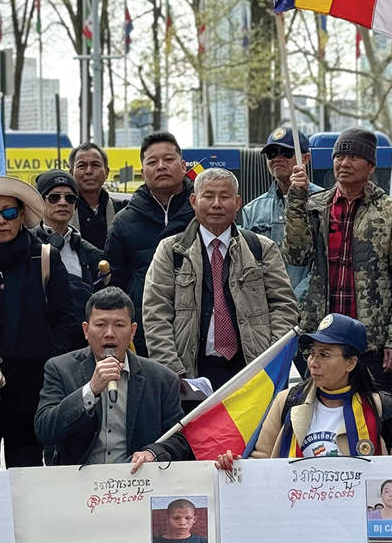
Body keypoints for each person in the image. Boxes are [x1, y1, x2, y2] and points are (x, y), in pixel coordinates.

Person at [284, 128, 392, 398]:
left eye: (354, 157)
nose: (344, 163)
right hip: (323, 337)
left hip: (372, 344)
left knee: (377, 423)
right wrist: (296, 200)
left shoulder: (391, 211)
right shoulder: (315, 206)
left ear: (371, 166)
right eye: (339, 156)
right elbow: (297, 255)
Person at [0, 176, 75, 469]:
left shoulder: (44, 256)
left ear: (21, 214)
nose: (1, 221)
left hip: (30, 388)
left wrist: (49, 366)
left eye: (9, 212)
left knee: (27, 475)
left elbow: (64, 319)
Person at [144, 167, 299, 391]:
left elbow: (284, 307)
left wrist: (269, 363)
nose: (217, 204)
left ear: (237, 203)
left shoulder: (261, 249)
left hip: (252, 372)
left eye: (224, 196)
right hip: (191, 375)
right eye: (208, 196)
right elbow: (156, 315)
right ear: (194, 201)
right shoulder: (171, 251)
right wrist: (174, 374)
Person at [218, 314, 392, 466]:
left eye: (324, 355)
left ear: (351, 363)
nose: (313, 363)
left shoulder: (384, 409)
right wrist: (235, 466)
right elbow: (261, 464)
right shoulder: (287, 402)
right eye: (312, 353)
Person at [35, 288, 192, 467]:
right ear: (86, 330)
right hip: (78, 481)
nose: (109, 333)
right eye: (101, 325)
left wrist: (152, 453)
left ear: (132, 331)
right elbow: (44, 429)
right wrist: (90, 390)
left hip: (136, 481)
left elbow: (179, 439)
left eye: (119, 325)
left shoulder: (162, 378)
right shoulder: (60, 369)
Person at [105, 133, 194, 355]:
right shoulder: (123, 221)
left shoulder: (203, 214)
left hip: (196, 328)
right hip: (144, 332)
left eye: (169, 159)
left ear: (183, 166)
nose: (161, 166)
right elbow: (115, 284)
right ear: (143, 173)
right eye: (152, 162)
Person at [241, 126, 323, 303]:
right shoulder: (251, 210)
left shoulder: (325, 203)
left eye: (286, 152)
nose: (277, 158)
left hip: (312, 307)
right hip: (268, 307)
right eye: (271, 153)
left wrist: (294, 298)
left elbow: (325, 263)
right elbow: (248, 264)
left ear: (306, 158)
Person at [34, 169, 108, 351]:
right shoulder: (27, 248)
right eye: (54, 197)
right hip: (38, 347)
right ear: (40, 202)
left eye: (70, 198)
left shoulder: (92, 254)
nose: (62, 202)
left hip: (81, 348)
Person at [70, 143, 126, 250]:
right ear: (71, 173)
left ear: (107, 172)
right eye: (82, 166)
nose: (89, 171)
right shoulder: (62, 211)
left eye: (96, 165)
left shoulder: (122, 210)